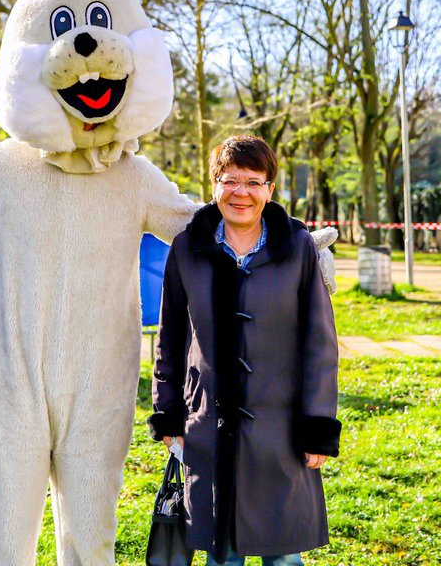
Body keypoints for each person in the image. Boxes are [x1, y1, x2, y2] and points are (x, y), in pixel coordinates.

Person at [149, 135, 341, 566]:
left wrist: (318, 425)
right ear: (214, 184)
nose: (242, 192)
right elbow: (171, 337)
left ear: (270, 190)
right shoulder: (188, 249)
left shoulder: (297, 248)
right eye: (230, 180)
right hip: (209, 423)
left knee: (284, 555)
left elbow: (320, 344)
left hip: (283, 428)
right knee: (222, 553)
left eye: (254, 182)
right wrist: (169, 414)